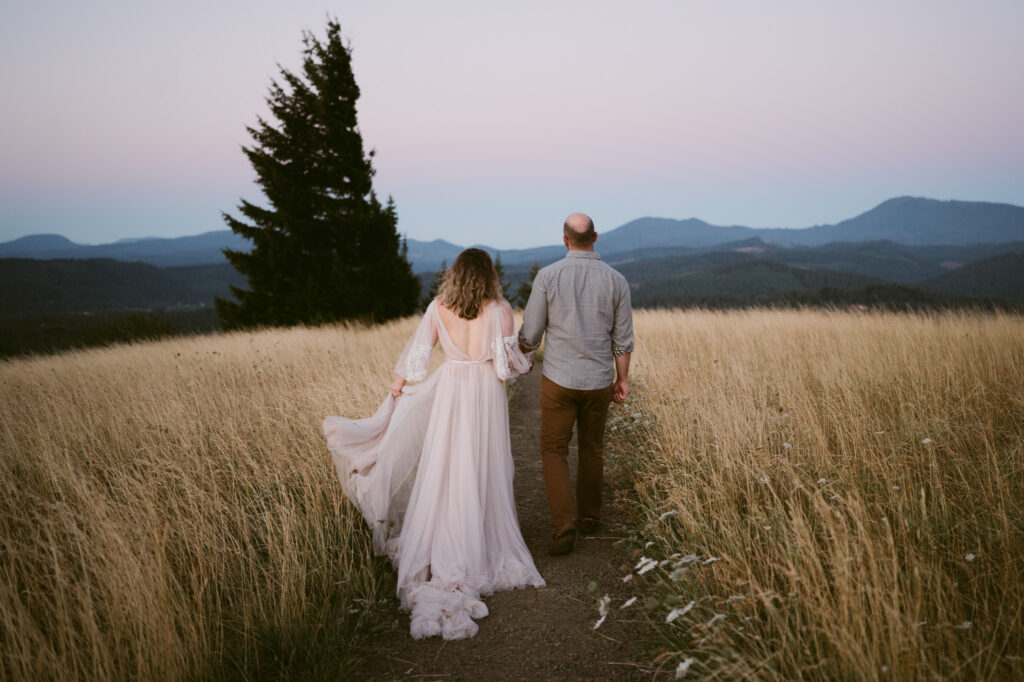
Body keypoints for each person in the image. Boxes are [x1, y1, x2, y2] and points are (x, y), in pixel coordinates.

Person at [323, 248, 545, 641]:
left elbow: (417, 359)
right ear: (489, 275)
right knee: (482, 464)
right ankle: (478, 541)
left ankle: (445, 537)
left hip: (450, 390)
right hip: (485, 396)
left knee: (446, 466)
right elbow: (505, 367)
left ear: (455, 275)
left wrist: (396, 390)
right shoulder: (500, 310)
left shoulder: (439, 307)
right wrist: (526, 357)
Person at [517, 213, 634, 556]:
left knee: (553, 449)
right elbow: (623, 340)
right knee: (592, 448)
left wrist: (519, 354)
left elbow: (531, 334)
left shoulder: (548, 276)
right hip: (599, 381)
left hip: (558, 380)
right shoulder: (617, 280)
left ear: (565, 239)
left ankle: (564, 522)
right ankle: (589, 517)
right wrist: (622, 378)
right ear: (595, 236)